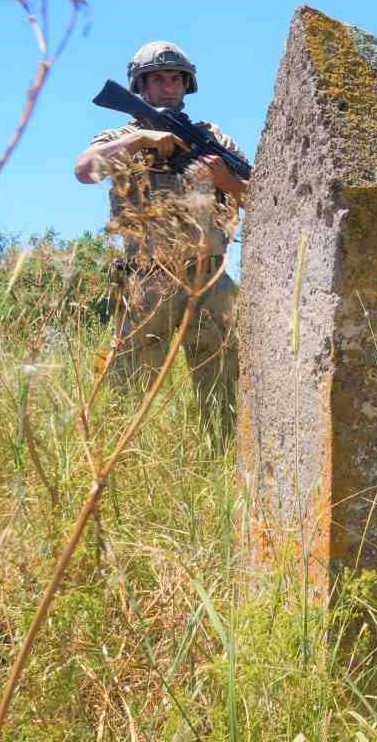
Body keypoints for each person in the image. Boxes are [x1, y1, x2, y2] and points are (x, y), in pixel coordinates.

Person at [73, 40, 247, 444]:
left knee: (223, 384)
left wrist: (225, 181)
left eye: (175, 79)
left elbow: (260, 195)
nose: (168, 87)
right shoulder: (121, 135)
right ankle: (118, 470)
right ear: (140, 86)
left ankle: (218, 462)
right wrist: (141, 141)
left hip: (210, 280)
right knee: (128, 388)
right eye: (157, 79)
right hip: (147, 278)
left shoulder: (213, 139)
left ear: (186, 85)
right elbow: (85, 169)